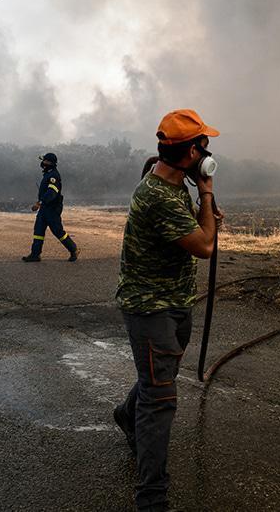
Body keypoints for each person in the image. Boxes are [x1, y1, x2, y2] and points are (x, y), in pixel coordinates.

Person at [112, 109, 223, 512]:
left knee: (158, 380)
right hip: (151, 308)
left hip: (176, 302)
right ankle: (151, 499)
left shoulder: (174, 185)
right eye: (204, 147)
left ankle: (127, 415)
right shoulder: (158, 195)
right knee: (160, 400)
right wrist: (207, 195)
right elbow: (205, 246)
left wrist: (203, 211)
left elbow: (195, 232)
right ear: (192, 153)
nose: (208, 154)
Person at [21, 152, 78, 262]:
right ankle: (35, 255)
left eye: (45, 161)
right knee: (38, 231)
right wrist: (41, 203)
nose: (43, 162)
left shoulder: (54, 176)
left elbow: (52, 192)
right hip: (44, 208)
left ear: (50, 162)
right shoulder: (48, 174)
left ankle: (73, 250)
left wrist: (39, 203)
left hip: (52, 209)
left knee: (58, 231)